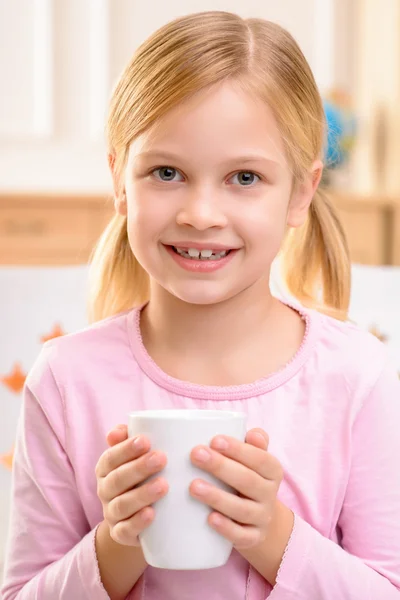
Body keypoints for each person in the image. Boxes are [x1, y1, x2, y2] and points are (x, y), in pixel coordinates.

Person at [2, 10, 400, 600]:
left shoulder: (359, 377)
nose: (201, 213)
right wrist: (119, 540)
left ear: (301, 192)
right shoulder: (65, 379)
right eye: (167, 172)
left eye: (243, 178)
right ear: (119, 180)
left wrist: (275, 537)